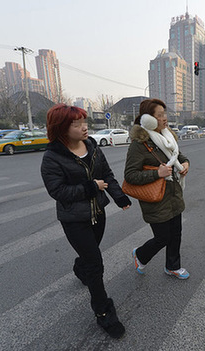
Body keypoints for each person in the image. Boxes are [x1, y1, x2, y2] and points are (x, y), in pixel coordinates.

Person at [40, 104, 131, 338]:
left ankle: (80, 268)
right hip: (74, 220)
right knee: (96, 264)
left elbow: (107, 174)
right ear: (61, 128)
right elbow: (58, 191)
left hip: (98, 213)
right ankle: (103, 312)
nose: (84, 127)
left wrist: (119, 197)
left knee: (90, 255)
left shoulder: (90, 146)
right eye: (76, 124)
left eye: (84, 122)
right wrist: (91, 187)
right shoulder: (52, 157)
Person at [124, 98, 191, 280]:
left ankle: (172, 266)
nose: (164, 119)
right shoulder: (139, 144)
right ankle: (141, 255)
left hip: (174, 195)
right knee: (162, 237)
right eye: (159, 115)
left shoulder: (167, 137)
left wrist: (185, 163)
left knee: (176, 234)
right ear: (148, 119)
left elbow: (179, 156)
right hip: (156, 198)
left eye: (164, 114)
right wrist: (157, 174)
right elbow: (130, 175)